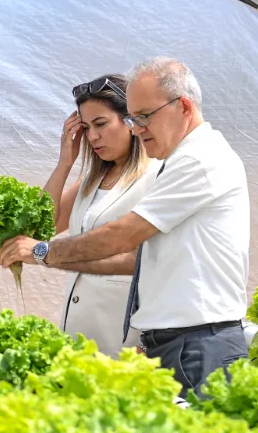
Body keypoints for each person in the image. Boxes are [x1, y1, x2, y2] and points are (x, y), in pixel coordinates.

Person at [0, 58, 249, 396]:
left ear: (184, 107)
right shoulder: (170, 164)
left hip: (195, 341)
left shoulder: (194, 162)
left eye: (143, 117)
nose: (137, 127)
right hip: (170, 340)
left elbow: (124, 239)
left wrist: (44, 253)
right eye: (134, 118)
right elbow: (46, 225)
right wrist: (65, 162)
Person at [16, 74, 160, 357]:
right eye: (86, 127)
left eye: (101, 124)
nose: (92, 136)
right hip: (78, 333)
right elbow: (39, 229)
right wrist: (65, 162)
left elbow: (152, 261)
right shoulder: (90, 181)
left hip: (125, 338)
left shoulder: (156, 176)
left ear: (130, 121)